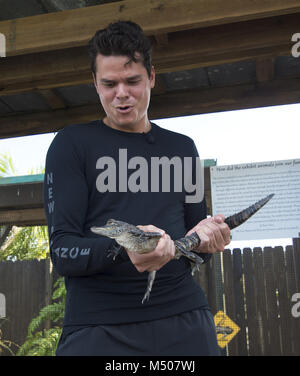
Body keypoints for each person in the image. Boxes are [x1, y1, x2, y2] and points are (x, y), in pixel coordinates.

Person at [43, 20, 230, 356]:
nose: (122, 94)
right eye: (109, 84)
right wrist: (125, 246)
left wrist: (208, 236)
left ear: (152, 77)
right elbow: (62, 251)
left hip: (183, 319)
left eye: (132, 81)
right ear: (95, 84)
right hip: (98, 327)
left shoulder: (182, 149)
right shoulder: (70, 144)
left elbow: (193, 245)